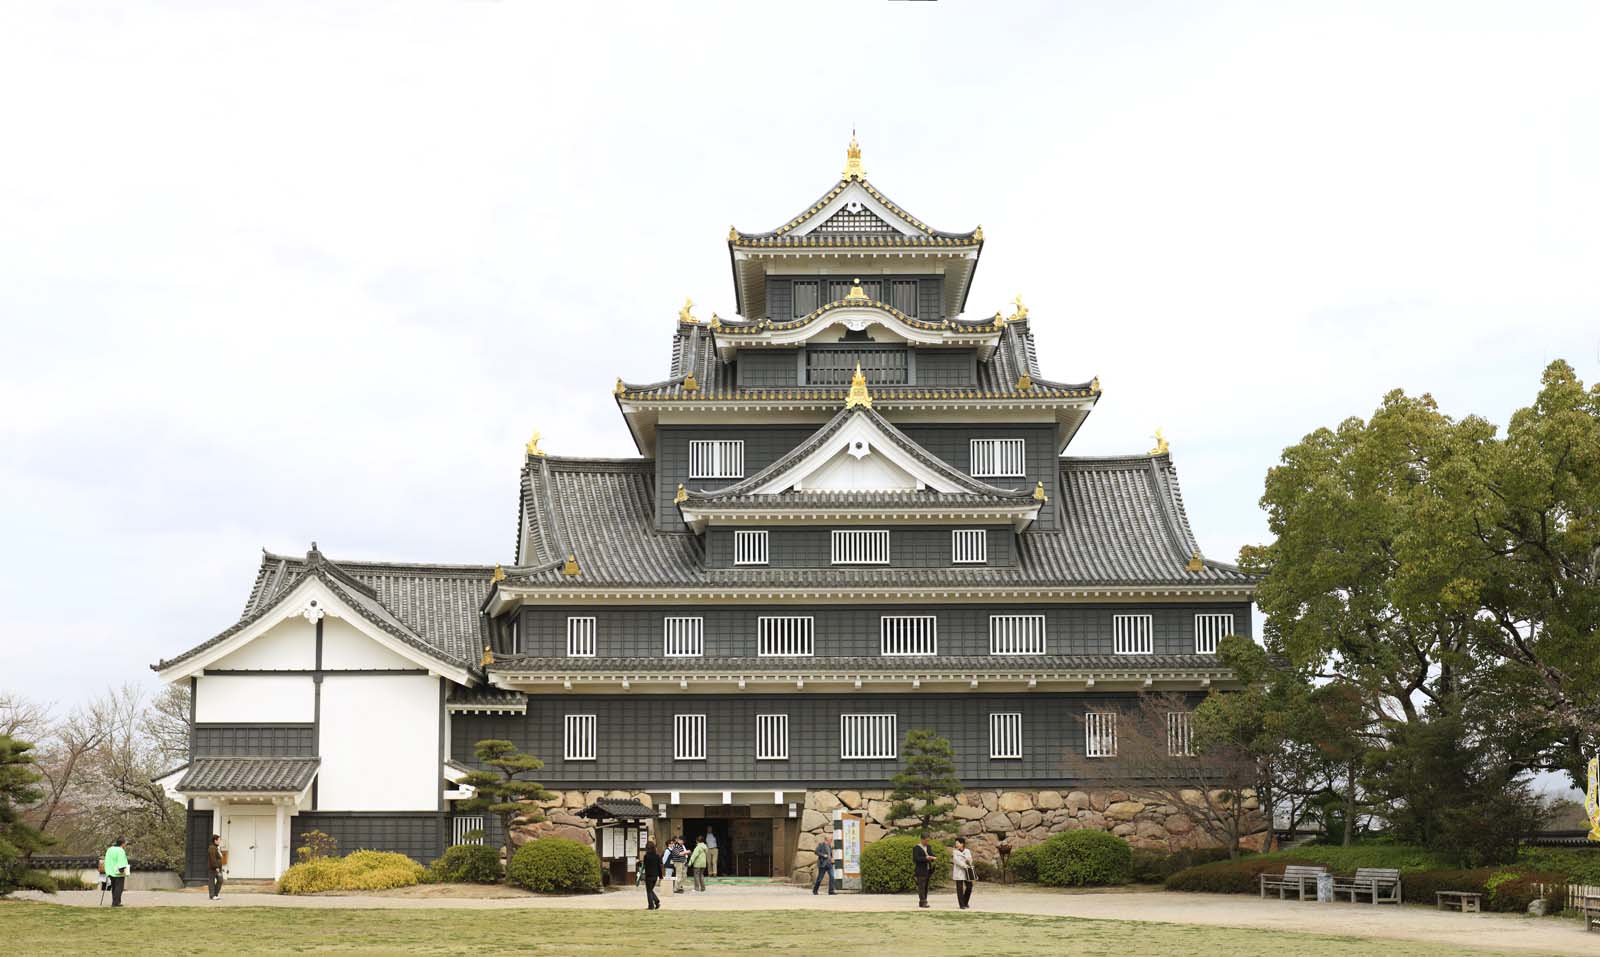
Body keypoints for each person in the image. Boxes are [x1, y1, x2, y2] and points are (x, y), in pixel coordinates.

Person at [103, 837, 130, 907]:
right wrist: (122, 870)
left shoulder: (110, 849)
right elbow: (121, 861)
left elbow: (106, 860)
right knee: (119, 888)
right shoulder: (120, 850)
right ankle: (116, 902)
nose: (125, 845)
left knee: (114, 887)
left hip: (111, 871)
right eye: (125, 843)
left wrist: (107, 870)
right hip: (118, 872)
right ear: (122, 843)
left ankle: (114, 901)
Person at [911, 832, 934, 908]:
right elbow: (915, 859)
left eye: (928, 840)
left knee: (926, 886)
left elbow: (931, 854)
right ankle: (923, 901)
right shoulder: (916, 848)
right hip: (920, 870)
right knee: (921, 886)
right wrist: (925, 858)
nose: (927, 842)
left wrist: (932, 857)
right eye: (926, 840)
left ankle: (923, 901)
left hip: (928, 869)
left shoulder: (929, 847)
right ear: (922, 839)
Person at [951, 837, 974, 910]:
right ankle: (961, 905)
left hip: (967, 872)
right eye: (956, 843)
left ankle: (965, 902)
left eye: (957, 843)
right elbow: (956, 861)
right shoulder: (955, 852)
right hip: (959, 872)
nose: (956, 845)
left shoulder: (967, 851)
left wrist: (969, 861)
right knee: (959, 889)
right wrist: (964, 865)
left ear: (962, 844)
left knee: (969, 886)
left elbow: (970, 859)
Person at [641, 840, 662, 910]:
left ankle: (651, 906)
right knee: (650, 890)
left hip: (648, 875)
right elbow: (659, 867)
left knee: (649, 891)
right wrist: (661, 876)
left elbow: (644, 865)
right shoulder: (657, 856)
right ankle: (656, 901)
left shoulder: (646, 856)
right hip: (655, 876)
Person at [206, 833, 224, 900]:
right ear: (215, 840)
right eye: (219, 840)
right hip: (213, 868)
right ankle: (212, 895)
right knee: (211, 881)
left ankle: (215, 894)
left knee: (220, 880)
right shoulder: (212, 848)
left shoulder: (216, 848)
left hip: (218, 868)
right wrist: (216, 867)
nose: (220, 841)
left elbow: (219, 857)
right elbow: (212, 858)